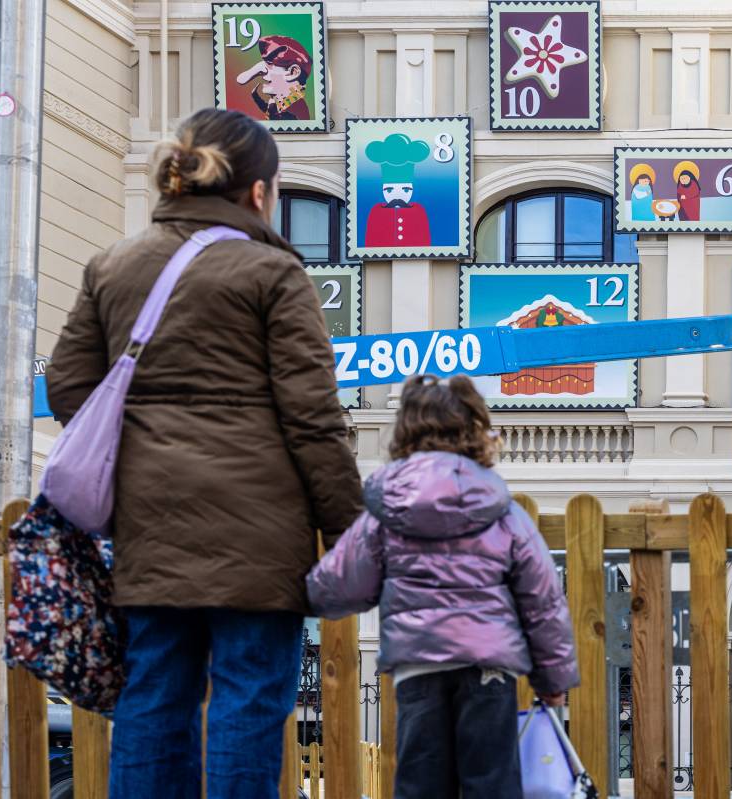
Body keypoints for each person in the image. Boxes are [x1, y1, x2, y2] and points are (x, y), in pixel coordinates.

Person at [46, 108, 364, 799]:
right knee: (249, 700)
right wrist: (347, 527)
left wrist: (141, 452)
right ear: (257, 192)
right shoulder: (274, 273)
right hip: (260, 536)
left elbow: (68, 385)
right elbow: (313, 417)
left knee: (154, 694)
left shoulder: (113, 265)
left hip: (150, 528)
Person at [307, 375, 579, 799]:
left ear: (404, 431)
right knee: (492, 785)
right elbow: (543, 600)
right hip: (489, 669)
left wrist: (298, 593)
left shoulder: (386, 511)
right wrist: (552, 678)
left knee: (421, 785)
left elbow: (340, 586)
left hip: (419, 665)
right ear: (475, 430)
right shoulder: (500, 509)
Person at [364, 132, 432, 247]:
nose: (397, 196)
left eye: (405, 190)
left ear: (412, 190)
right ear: (383, 190)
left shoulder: (419, 211)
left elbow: (425, 242)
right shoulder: (376, 211)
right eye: (389, 190)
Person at [235, 35, 313, 122]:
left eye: (270, 66)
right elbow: (267, 110)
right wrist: (256, 97)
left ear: (293, 72)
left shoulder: (295, 107)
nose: (263, 75)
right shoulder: (280, 102)